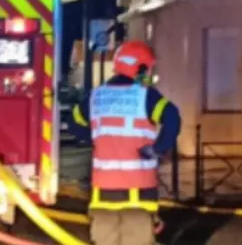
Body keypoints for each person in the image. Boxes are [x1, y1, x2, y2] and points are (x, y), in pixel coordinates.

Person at [68, 40, 181, 245]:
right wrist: (157, 149)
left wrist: (95, 137)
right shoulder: (146, 96)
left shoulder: (96, 96)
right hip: (139, 191)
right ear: (141, 67)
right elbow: (172, 118)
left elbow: (74, 121)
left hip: (104, 192)